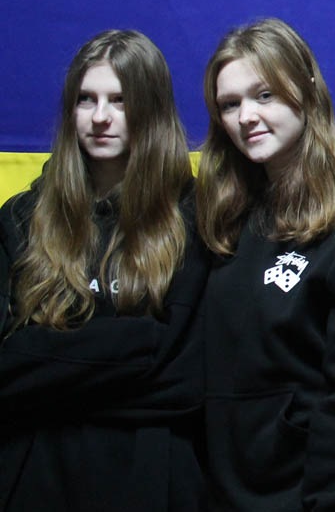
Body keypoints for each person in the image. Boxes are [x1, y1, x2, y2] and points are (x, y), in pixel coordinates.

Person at [198, 17, 335, 510]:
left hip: (315, 498)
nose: (246, 116)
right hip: (226, 495)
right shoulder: (225, 219)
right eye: (229, 104)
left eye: (265, 95)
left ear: (307, 91)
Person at [0, 30, 207, 510]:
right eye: (85, 100)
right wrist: (145, 344)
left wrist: (43, 358)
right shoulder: (21, 218)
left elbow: (190, 379)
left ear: (151, 109)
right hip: (34, 473)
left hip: (152, 476)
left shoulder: (196, 218)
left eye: (120, 100)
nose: (99, 117)